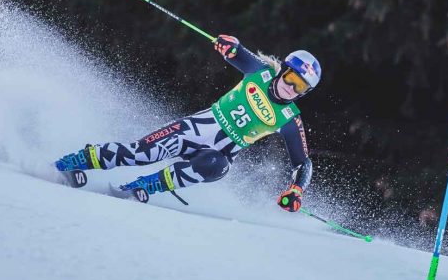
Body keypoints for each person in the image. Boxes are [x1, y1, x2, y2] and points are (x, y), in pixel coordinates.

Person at [54, 35, 320, 212]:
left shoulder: (289, 118)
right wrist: (227, 45)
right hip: (193, 130)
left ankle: (146, 185)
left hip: (217, 154)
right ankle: (77, 162)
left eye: (300, 87)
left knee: (217, 167)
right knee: (141, 153)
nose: (291, 88)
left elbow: (302, 163)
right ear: (282, 70)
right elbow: (235, 51)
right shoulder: (259, 71)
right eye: (290, 78)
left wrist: (296, 189)